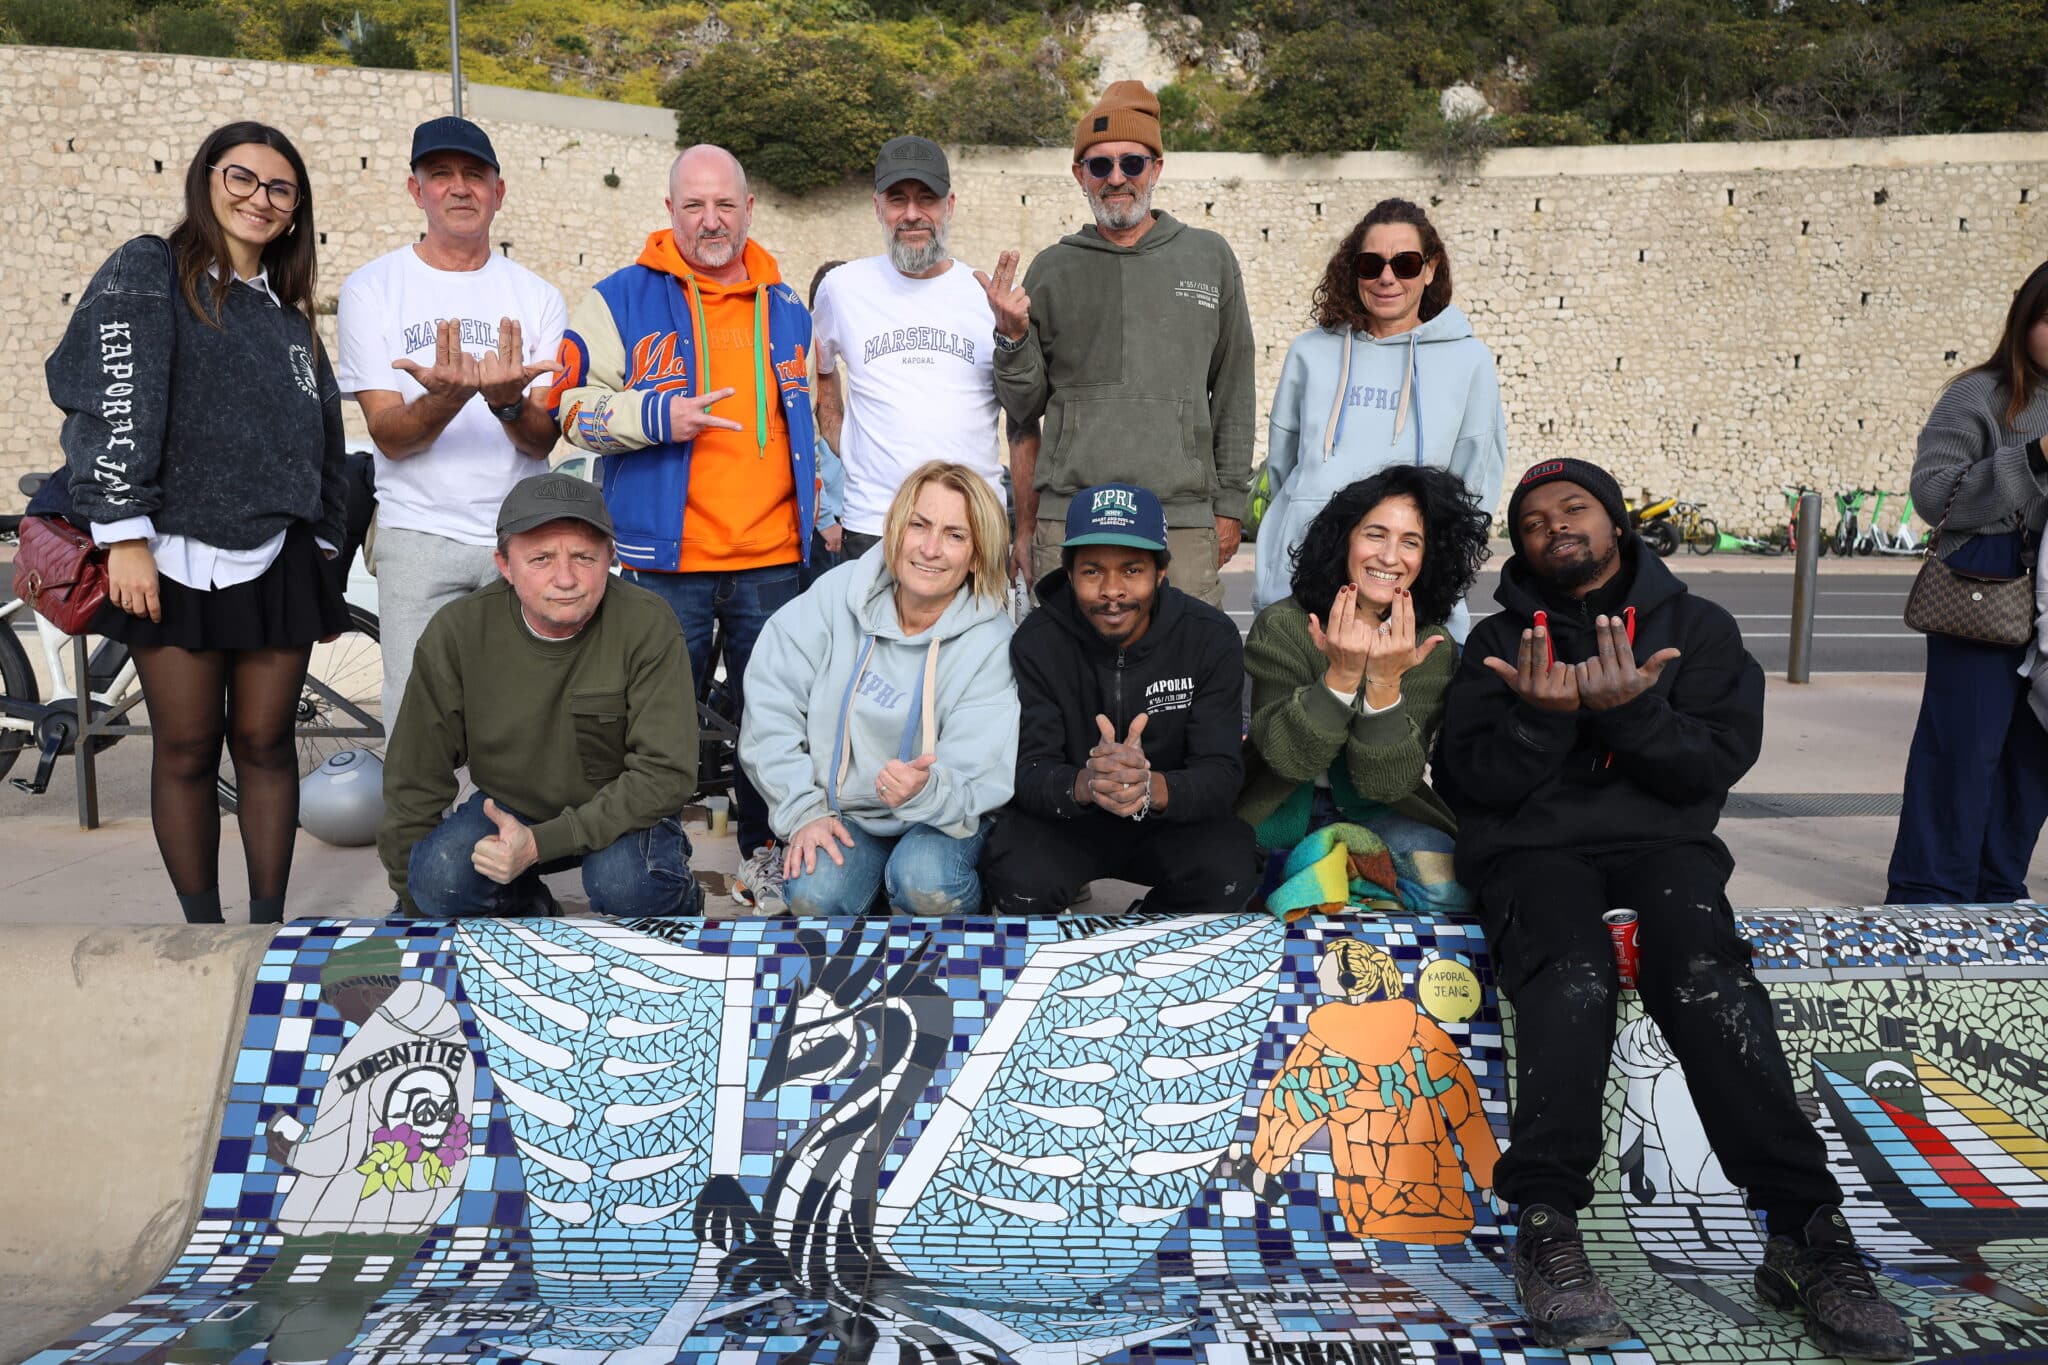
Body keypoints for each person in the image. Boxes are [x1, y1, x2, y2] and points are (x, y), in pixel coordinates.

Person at [1432, 458, 1909, 1360]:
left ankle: (1804, 1230)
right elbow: (1469, 782)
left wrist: (1632, 713)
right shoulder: (1498, 639)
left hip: (1662, 849)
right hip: (1535, 854)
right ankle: (1545, 1226)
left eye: (1574, 509)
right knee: (1568, 973)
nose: (1555, 527)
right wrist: (1538, 719)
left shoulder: (1698, 627)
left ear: (1616, 523)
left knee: (1702, 973)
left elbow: (1710, 766)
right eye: (1533, 520)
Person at [45, 121, 349, 926]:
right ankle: (203, 936)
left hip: (274, 558)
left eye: (280, 189)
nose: (260, 199)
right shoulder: (147, 271)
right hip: (165, 554)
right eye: (242, 177)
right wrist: (125, 533)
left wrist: (321, 545)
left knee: (266, 744)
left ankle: (267, 929)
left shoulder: (290, 319)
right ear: (206, 178)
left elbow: (326, 438)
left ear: (294, 213)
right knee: (184, 748)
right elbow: (111, 396)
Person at [547, 143, 817, 911]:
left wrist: (815, 518)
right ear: (669, 211)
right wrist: (657, 414)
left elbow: (804, 425)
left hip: (773, 562)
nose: (710, 219)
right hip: (667, 564)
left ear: (748, 210)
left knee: (776, 725)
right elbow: (568, 411)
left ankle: (767, 856)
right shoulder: (617, 300)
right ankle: (651, 865)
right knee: (658, 732)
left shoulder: (787, 303)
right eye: (694, 205)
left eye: (725, 204)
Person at [979, 81, 1255, 608]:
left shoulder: (1208, 257)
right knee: (1068, 677)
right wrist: (1011, 338)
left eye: (1131, 162)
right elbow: (1023, 410)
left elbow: (1235, 387)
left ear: (1156, 168)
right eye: (1099, 166)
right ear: (1080, 176)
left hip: (1181, 519)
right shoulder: (1051, 269)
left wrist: (1229, 507)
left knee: (1186, 677)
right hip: (1070, 520)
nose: (1117, 179)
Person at [378, 474, 702, 918]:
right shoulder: (458, 632)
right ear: (505, 566)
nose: (565, 578)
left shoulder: (648, 625)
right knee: (440, 878)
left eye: (584, 556)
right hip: (510, 806)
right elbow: (415, 776)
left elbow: (665, 774)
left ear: (612, 556)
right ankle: (528, 910)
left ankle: (680, 906)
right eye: (541, 558)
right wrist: (413, 900)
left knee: (628, 882)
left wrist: (540, 845)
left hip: (624, 810)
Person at [336, 116, 567, 736]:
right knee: (417, 718)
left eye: (475, 175)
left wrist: (509, 403)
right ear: (417, 191)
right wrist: (448, 398)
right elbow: (389, 433)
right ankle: (420, 836)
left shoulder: (538, 297)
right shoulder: (371, 289)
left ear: (499, 190)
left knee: (520, 716)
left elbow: (544, 438)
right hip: (416, 536)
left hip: (519, 536)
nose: (459, 188)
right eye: (441, 175)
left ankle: (510, 835)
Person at [740, 461, 1018, 914]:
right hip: (846, 813)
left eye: (955, 535)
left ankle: (949, 922)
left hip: (942, 818)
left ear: (977, 555)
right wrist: (804, 811)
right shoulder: (837, 595)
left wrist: (925, 790)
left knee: (925, 882)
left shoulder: (991, 642)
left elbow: (980, 778)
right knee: (814, 894)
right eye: (919, 525)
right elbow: (770, 706)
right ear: (894, 529)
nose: (930, 549)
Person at [981, 482, 1257, 911]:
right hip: (1071, 819)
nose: (1112, 590)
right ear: (1069, 572)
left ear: (1160, 571)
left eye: (1132, 570)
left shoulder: (1211, 638)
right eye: (1093, 571)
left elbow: (1222, 774)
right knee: (1016, 873)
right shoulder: (1037, 642)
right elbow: (1027, 771)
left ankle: (1141, 934)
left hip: (1169, 818)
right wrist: (1089, 783)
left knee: (1230, 867)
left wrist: (1148, 786)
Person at [1252, 199, 1507, 641]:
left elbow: (1476, 480)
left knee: (1408, 707)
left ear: (1430, 269)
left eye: (1405, 263)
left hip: (1409, 582)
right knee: (1299, 705)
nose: (1387, 277)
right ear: (1354, 270)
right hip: (1303, 579)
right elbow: (1283, 467)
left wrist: (1442, 569)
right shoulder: (1310, 352)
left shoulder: (1469, 361)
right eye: (1371, 264)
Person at [1887, 261, 2048, 904]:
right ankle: (1929, 894)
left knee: (2035, 753)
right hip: (1987, 580)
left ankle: (1995, 885)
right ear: (2024, 319)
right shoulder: (1979, 394)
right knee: (1962, 745)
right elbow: (1935, 497)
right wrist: (2035, 457)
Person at [1238, 466, 1490, 855]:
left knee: (1446, 885)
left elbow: (1387, 783)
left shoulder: (1430, 645)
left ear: (1429, 557)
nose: (1389, 557)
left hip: (1381, 812)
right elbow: (1288, 760)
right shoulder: (1284, 624)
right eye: (1375, 534)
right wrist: (1341, 675)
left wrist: (1385, 685)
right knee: (1232, 880)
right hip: (1280, 809)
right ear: (1343, 541)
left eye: (1411, 542)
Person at [812, 138, 1007, 561]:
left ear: (950, 205)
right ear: (877, 207)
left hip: (970, 527)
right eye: (898, 200)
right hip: (873, 526)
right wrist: (844, 442)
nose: (913, 214)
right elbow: (821, 369)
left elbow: (1025, 418)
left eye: (928, 199)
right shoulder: (842, 288)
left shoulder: (987, 295)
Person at [804, 259, 848, 586]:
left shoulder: (835, 353)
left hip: (843, 516)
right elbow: (807, 439)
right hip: (824, 522)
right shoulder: (809, 352)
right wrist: (825, 520)